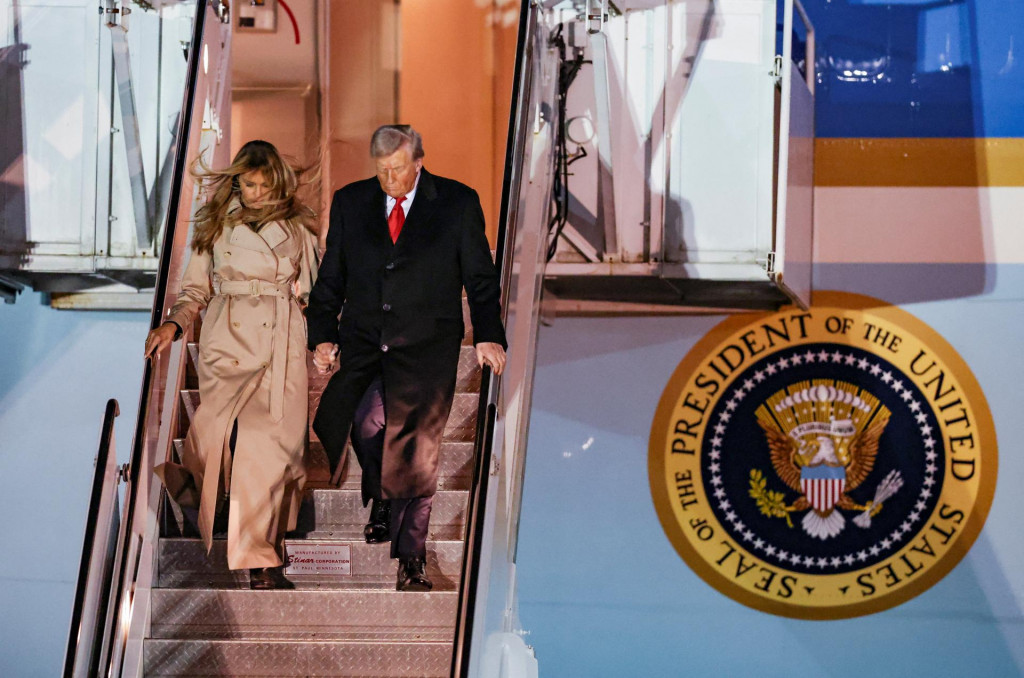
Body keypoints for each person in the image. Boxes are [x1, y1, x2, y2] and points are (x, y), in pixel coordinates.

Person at [306, 124, 506, 592]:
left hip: (426, 349)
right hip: (365, 344)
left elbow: (480, 279)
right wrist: (322, 335)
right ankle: (379, 493)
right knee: (366, 424)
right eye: (381, 172)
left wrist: (488, 336)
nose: (388, 180)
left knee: (416, 452)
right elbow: (331, 277)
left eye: (396, 170)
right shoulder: (351, 202)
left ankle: (411, 558)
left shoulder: (457, 202)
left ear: (418, 161)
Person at [144, 140, 320, 590]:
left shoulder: (299, 229)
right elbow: (193, 292)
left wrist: (324, 341)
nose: (255, 192)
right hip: (228, 338)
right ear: (236, 182)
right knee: (212, 433)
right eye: (247, 184)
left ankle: (261, 559)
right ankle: (194, 490)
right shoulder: (214, 225)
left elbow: (316, 294)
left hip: (282, 341)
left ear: (276, 182)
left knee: (272, 448)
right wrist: (174, 326)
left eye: (262, 184)